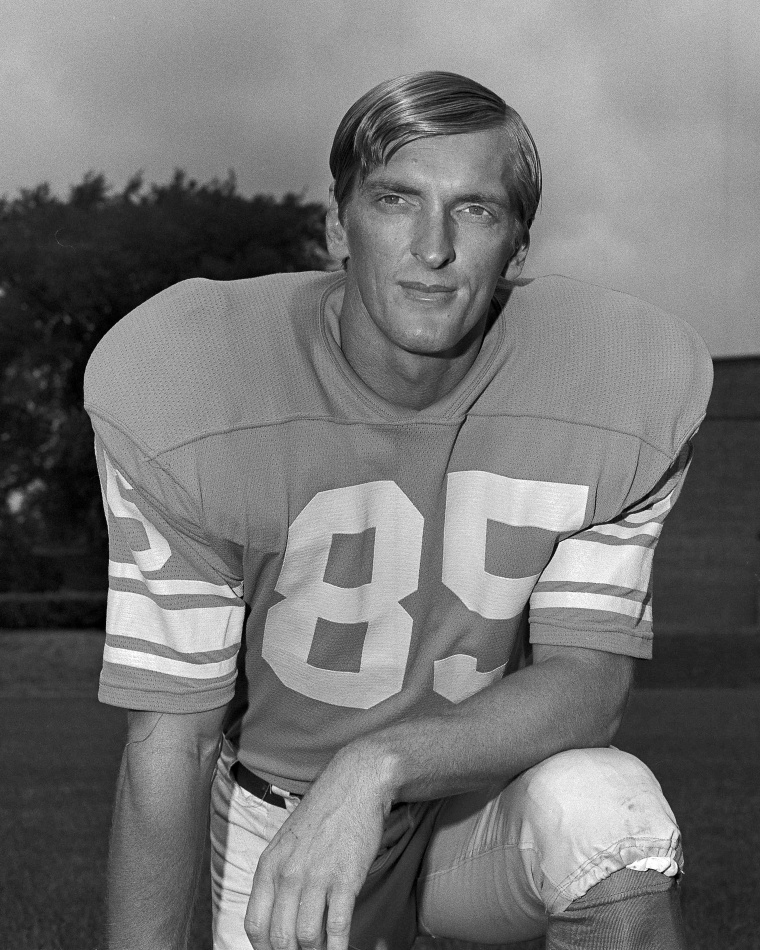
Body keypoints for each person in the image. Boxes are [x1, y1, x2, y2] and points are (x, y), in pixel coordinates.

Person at [84, 71, 712, 950]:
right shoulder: (196, 386)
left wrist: (378, 762)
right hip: (286, 816)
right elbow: (170, 744)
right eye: (395, 200)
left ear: (518, 246)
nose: (433, 247)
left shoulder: (611, 385)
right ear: (337, 224)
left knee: (609, 811)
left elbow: (588, 685)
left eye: (476, 210)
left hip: (477, 802)